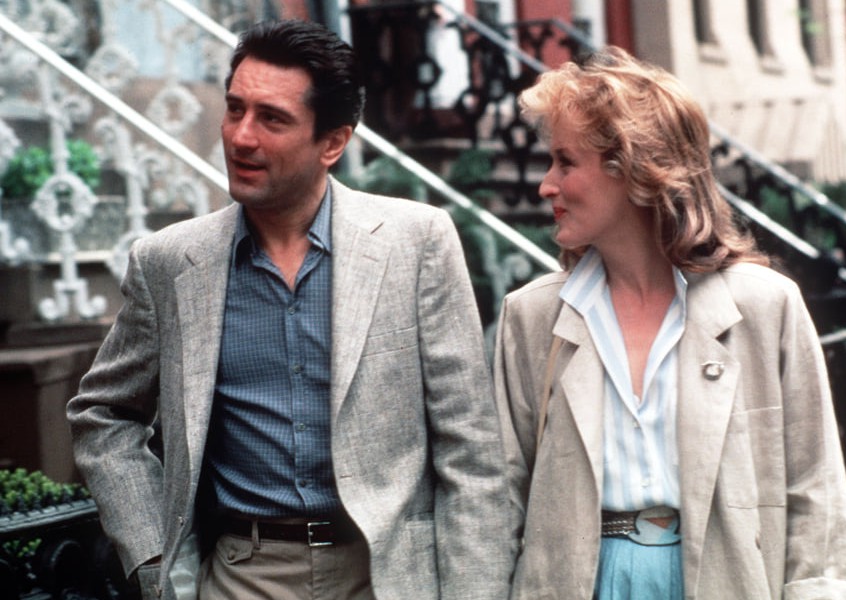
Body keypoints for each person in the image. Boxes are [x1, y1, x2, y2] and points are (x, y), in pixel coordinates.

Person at [68, 19, 515, 600]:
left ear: (333, 143)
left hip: (390, 576)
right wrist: (154, 558)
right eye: (235, 109)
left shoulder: (415, 242)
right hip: (243, 574)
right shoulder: (171, 262)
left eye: (272, 119)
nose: (240, 137)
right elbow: (103, 414)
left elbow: (470, 451)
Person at [493, 46, 846, 599]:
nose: (547, 185)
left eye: (566, 162)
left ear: (634, 169)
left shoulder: (765, 306)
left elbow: (817, 492)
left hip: (724, 578)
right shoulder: (533, 315)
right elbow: (501, 500)